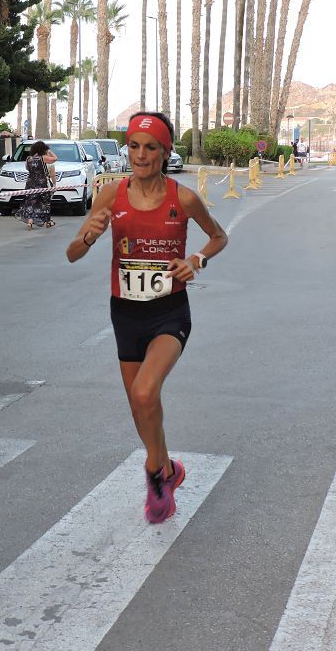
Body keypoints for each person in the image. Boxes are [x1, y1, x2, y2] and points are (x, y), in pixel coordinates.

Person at [66, 111, 228, 525]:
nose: (141, 155)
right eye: (134, 146)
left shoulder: (183, 199)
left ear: (164, 151)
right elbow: (72, 253)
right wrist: (89, 236)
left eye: (150, 147)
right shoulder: (111, 195)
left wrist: (196, 261)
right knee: (140, 407)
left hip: (169, 313)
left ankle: (155, 474)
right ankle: (166, 470)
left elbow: (218, 236)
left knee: (144, 393)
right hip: (124, 313)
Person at [15, 140, 58, 230]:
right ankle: (48, 221)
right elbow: (55, 159)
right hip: (41, 184)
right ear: (43, 149)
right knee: (45, 203)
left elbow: (28, 169)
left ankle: (29, 223)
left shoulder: (28, 159)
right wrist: (49, 151)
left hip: (30, 183)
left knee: (31, 203)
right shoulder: (43, 158)